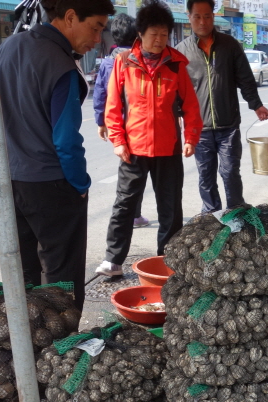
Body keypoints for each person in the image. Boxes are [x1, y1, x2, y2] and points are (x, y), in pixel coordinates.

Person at [0, 0, 112, 308]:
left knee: (24, 274)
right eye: (95, 28)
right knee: (62, 278)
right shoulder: (61, 65)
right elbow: (66, 140)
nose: (97, 39)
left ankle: (27, 335)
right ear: (70, 17)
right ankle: (63, 338)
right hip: (51, 185)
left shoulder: (9, 47)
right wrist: (80, 185)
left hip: (8, 180)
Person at [98, 1, 203, 271]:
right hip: (133, 149)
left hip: (168, 148)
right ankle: (113, 260)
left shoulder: (176, 65)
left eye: (164, 34)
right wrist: (118, 141)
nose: (159, 40)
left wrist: (190, 138)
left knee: (170, 207)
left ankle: (167, 260)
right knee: (124, 205)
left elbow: (191, 106)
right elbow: (113, 106)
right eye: (154, 34)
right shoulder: (124, 62)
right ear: (141, 34)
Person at [175, 0, 268, 214]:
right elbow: (178, 90)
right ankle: (212, 215)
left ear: (214, 16)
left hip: (228, 125)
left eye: (207, 16)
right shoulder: (181, 51)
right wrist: (179, 115)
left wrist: (256, 105)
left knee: (230, 172)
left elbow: (245, 78)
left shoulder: (230, 45)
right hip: (199, 128)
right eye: (197, 16)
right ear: (189, 17)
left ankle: (236, 212)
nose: (202, 21)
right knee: (206, 175)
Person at [94, 13, 150, 228]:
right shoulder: (139, 60)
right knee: (137, 171)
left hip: (118, 125)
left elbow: (100, 94)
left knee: (128, 171)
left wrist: (101, 122)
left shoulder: (108, 63)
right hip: (138, 125)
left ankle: (129, 216)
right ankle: (134, 215)